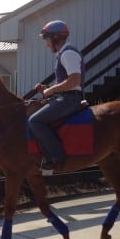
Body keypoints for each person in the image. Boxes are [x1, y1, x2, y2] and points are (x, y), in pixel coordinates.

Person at [28, 20, 85, 172]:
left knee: (35, 121)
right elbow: (67, 82)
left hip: (70, 99)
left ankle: (57, 157)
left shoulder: (67, 53)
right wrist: (47, 89)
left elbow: (75, 80)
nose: (46, 44)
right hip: (66, 96)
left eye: (46, 39)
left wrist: (52, 90)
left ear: (55, 38)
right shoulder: (65, 53)